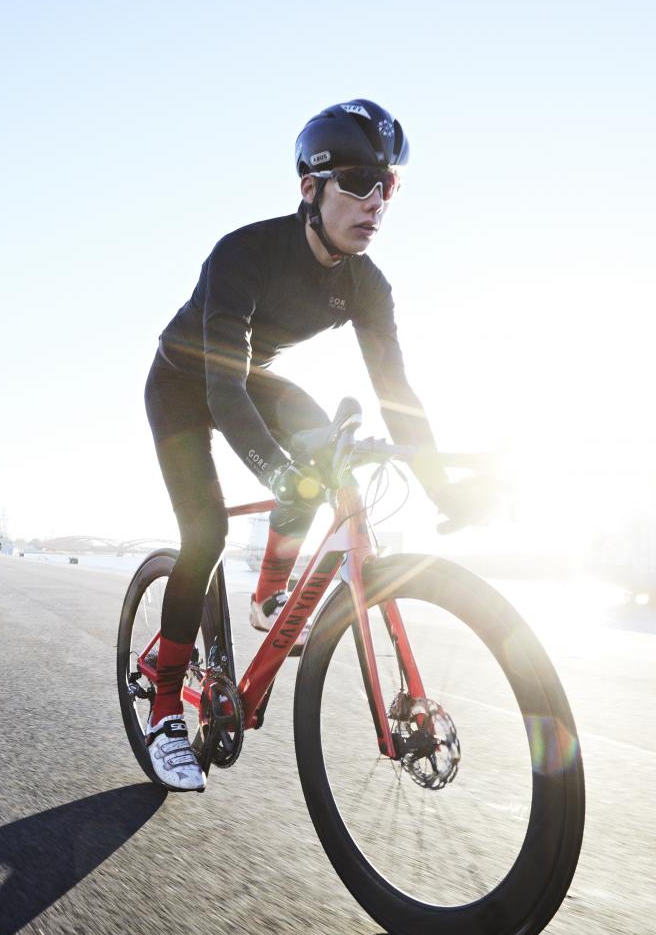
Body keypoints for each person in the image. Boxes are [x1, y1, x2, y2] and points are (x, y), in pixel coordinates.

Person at [141, 99, 476, 792]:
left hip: (252, 377)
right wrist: (277, 470)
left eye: (389, 184)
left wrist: (445, 490)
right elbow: (223, 390)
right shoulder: (244, 254)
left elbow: (397, 393)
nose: (376, 200)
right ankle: (166, 703)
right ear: (310, 188)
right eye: (358, 181)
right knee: (205, 532)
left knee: (327, 450)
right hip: (185, 384)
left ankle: (269, 593)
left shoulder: (367, 284)